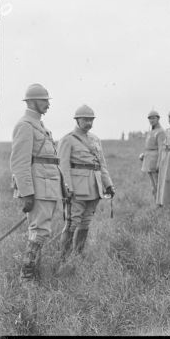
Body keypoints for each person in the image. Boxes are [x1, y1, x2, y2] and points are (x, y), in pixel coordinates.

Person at [10, 84, 63, 280]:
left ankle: (34, 273)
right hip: (38, 188)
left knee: (41, 230)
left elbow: (51, 161)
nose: (48, 104)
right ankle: (26, 277)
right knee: (39, 231)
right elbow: (19, 162)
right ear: (32, 101)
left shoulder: (41, 126)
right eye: (44, 100)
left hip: (47, 186)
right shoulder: (25, 125)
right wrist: (27, 193)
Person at [58, 105, 115, 260]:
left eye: (91, 119)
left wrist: (108, 184)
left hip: (95, 188)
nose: (89, 122)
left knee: (86, 224)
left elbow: (101, 164)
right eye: (85, 119)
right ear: (77, 120)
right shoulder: (67, 139)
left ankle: (78, 256)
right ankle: (64, 259)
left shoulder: (95, 139)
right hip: (77, 189)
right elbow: (63, 166)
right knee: (72, 224)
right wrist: (67, 187)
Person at [139, 110, 165, 198]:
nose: (151, 120)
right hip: (148, 160)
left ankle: (160, 203)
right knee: (152, 184)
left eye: (153, 118)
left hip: (155, 159)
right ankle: (156, 202)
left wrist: (159, 163)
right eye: (150, 118)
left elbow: (161, 148)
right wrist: (144, 154)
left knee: (157, 183)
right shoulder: (150, 131)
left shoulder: (161, 132)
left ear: (158, 119)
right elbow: (149, 146)